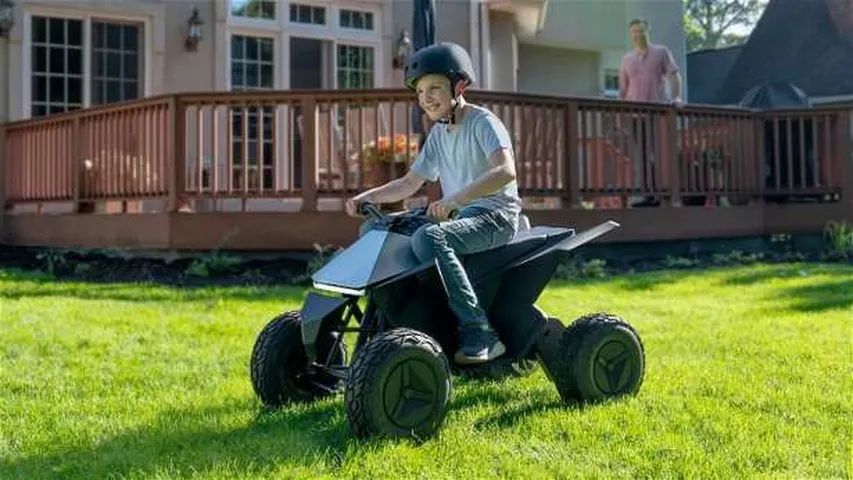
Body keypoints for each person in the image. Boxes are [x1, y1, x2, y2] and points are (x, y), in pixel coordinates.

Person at [345, 42, 521, 365]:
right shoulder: (439, 134)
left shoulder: (483, 123)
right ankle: (396, 322)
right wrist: (369, 197)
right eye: (420, 91)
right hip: (459, 215)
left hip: (496, 216)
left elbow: (505, 171)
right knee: (376, 227)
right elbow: (410, 182)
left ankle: (480, 331)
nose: (426, 98)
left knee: (429, 237)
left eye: (434, 88)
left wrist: (455, 198)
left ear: (459, 86)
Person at [619, 18, 683, 207]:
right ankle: (645, 194)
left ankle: (657, 193)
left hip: (656, 113)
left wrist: (676, 97)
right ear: (631, 35)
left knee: (656, 154)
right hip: (633, 115)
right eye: (635, 32)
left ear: (648, 31)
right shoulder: (626, 59)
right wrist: (619, 112)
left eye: (641, 31)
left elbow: (674, 75)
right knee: (639, 155)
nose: (638, 35)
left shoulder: (661, 52)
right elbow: (623, 89)